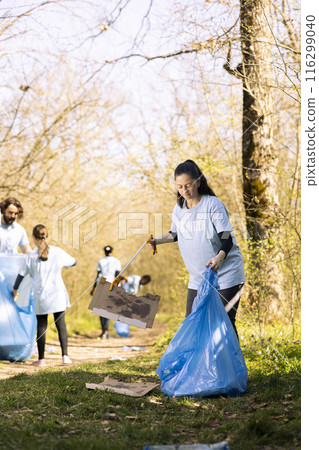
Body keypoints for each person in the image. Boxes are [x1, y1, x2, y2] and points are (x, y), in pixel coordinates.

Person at [149, 160, 245, 338]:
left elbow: (227, 239)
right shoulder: (179, 209)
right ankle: (199, 366)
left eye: (188, 185)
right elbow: (175, 234)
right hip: (198, 277)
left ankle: (230, 366)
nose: (184, 191)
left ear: (198, 182)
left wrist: (219, 257)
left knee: (223, 324)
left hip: (226, 274)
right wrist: (157, 241)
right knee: (192, 323)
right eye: (179, 187)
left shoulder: (212, 205)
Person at [12, 224, 76, 366]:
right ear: (47, 236)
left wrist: (15, 289)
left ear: (34, 238)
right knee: (61, 325)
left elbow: (21, 274)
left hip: (41, 297)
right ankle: (65, 356)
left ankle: (41, 359)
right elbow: (73, 262)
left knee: (41, 325)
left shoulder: (31, 256)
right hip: (57, 295)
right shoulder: (58, 252)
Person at [90, 245, 121, 339]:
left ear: (104, 252)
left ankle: (103, 330)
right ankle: (105, 331)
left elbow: (97, 275)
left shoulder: (101, 261)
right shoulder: (117, 260)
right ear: (112, 251)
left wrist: (93, 288)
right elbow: (117, 275)